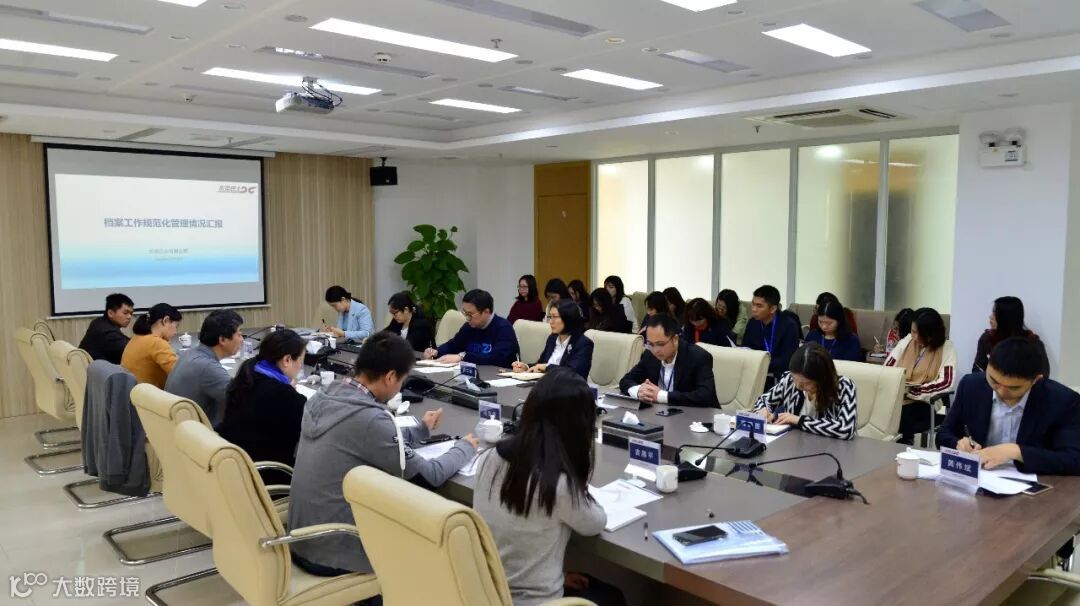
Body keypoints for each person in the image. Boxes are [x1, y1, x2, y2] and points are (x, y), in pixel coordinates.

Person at [289, 332, 479, 576]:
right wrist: (465, 447)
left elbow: (366, 437)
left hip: (302, 537)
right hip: (336, 551)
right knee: (439, 542)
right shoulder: (369, 418)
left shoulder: (325, 397)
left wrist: (420, 429)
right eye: (402, 380)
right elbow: (430, 476)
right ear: (390, 377)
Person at [474, 368, 625, 606]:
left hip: (489, 592)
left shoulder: (489, 457)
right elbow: (595, 524)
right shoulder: (558, 483)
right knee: (612, 597)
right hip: (534, 601)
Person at [937, 338, 1080, 475]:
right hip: (982, 477)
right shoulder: (971, 386)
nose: (1001, 391)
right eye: (994, 381)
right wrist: (958, 444)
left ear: (1036, 380)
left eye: (1013, 388)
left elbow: (1074, 459)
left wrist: (1016, 451)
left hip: (1038, 484)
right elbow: (944, 434)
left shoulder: (1062, 401)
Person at [218, 329, 307, 485]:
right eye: (301, 360)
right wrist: (289, 391)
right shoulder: (289, 398)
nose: (301, 367)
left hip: (232, 469)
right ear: (287, 360)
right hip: (265, 477)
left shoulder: (244, 379)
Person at [753, 343, 858, 440]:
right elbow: (763, 399)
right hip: (794, 445)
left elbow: (846, 429)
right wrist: (763, 410)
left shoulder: (844, 387)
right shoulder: (789, 380)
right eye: (794, 379)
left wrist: (799, 420)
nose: (798, 386)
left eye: (806, 383)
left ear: (822, 378)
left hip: (830, 448)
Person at [885, 308, 957, 444]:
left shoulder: (946, 348)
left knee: (901, 415)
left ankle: (902, 446)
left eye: (918, 333)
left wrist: (916, 391)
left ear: (931, 334)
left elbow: (946, 382)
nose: (914, 336)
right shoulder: (907, 341)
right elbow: (888, 368)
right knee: (881, 410)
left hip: (926, 402)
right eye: (912, 331)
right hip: (899, 397)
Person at [163, 309, 244, 427]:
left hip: (179, 427)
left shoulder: (190, 353)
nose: (242, 339)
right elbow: (242, 400)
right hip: (197, 432)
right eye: (239, 334)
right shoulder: (208, 367)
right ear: (222, 340)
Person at [619, 315, 719, 408]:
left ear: (675, 339)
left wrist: (661, 396)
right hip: (659, 413)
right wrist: (638, 391)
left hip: (696, 417)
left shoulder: (698, 357)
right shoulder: (649, 355)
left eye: (660, 344)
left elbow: (705, 396)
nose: (655, 350)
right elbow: (625, 380)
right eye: (651, 344)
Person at [423, 289, 520, 367]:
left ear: (486, 312)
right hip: (473, 374)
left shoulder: (503, 328)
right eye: (465, 313)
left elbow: (496, 358)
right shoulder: (469, 326)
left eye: (470, 314)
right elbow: (453, 345)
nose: (467, 318)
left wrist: (462, 357)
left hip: (498, 376)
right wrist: (436, 351)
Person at [512, 300, 594, 379]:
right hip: (545, 384)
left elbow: (574, 373)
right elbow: (541, 364)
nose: (550, 321)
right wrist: (526, 367)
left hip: (568, 387)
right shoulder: (552, 338)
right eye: (550, 317)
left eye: (554, 317)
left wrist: (547, 367)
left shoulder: (583, 343)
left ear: (568, 318)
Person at [972, 296, 1049, 376]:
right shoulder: (987, 339)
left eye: (995, 313)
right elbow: (977, 370)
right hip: (990, 384)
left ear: (1007, 317)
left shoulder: (1032, 343)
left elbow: (1042, 375)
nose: (990, 317)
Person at [742, 285, 800, 380]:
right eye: (753, 304)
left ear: (773, 309)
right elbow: (745, 348)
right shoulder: (753, 322)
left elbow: (788, 360)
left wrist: (761, 363)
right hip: (755, 374)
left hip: (778, 377)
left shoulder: (789, 325)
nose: (754, 309)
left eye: (759, 306)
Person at [121, 303, 181, 389]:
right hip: (149, 395)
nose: (175, 332)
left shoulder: (137, 338)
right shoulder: (156, 343)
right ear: (165, 320)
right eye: (176, 326)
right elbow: (179, 375)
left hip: (134, 393)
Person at [79, 293, 134, 364]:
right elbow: (132, 349)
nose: (129, 317)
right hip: (96, 370)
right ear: (110, 313)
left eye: (131, 313)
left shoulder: (98, 321)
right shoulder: (108, 332)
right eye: (125, 313)